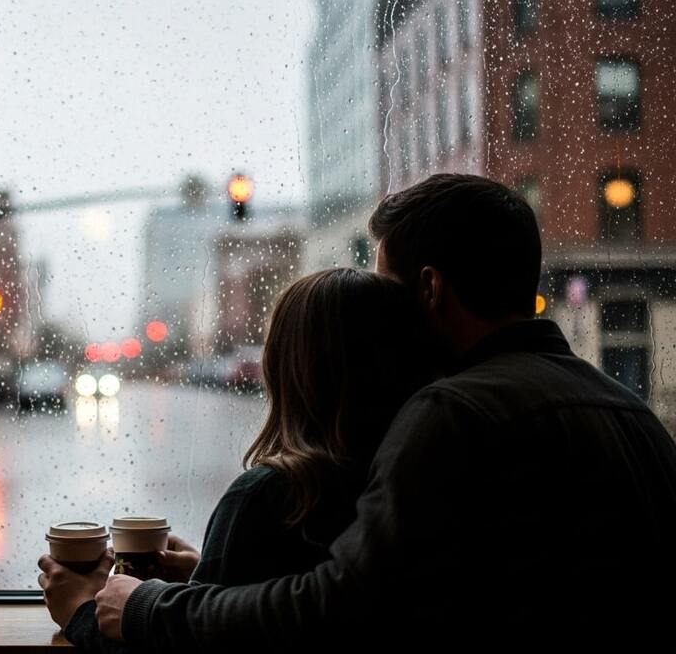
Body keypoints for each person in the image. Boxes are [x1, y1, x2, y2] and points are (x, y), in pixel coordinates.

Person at [81, 174, 676, 649]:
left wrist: (144, 607)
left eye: (388, 291)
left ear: (430, 290)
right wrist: (209, 576)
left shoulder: (453, 413)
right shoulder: (632, 415)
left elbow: (338, 608)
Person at [38, 268, 431, 651]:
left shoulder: (268, 495)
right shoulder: (415, 484)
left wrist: (82, 610)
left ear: (283, 368)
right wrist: (204, 572)